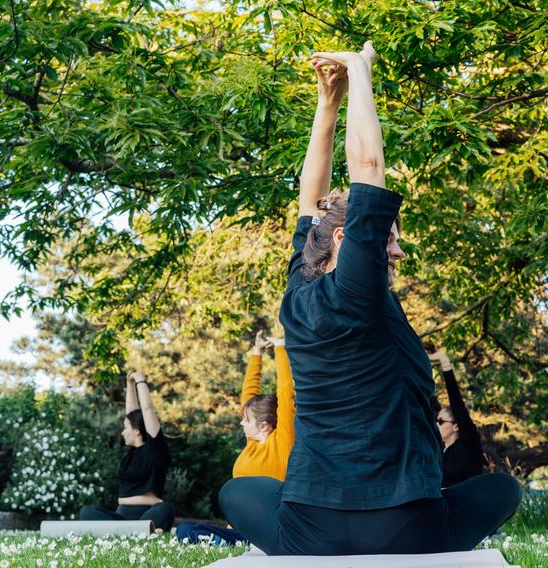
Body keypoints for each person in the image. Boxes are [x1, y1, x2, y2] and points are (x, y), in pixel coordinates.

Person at [218, 41, 521, 556]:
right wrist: (360, 73)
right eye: (391, 239)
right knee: (502, 490)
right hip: (408, 527)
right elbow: (368, 165)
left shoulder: (299, 291)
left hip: (312, 528)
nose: (398, 251)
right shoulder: (358, 289)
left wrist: (327, 104)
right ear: (347, 242)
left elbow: (307, 194)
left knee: (239, 492)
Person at [177, 331, 295, 545]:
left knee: (190, 533)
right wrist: (256, 353)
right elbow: (248, 393)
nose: (241, 423)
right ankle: (229, 542)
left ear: (265, 426)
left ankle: (235, 543)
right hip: (239, 530)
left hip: (266, 531)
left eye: (246, 420)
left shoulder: (283, 441)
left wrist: (280, 348)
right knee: (185, 529)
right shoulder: (252, 444)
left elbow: (285, 392)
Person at [80, 370, 174, 532]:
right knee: (87, 511)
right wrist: (129, 384)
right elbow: (132, 413)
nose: (123, 432)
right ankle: (139, 531)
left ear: (137, 431)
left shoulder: (154, 449)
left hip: (149, 513)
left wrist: (139, 379)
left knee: (165, 509)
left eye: (125, 428)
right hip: (121, 517)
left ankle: (139, 529)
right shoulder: (130, 453)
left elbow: (147, 409)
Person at [429, 350, 484, 487]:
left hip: (466, 505)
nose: (436, 424)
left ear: (456, 426)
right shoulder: (440, 451)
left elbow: (457, 405)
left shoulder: (467, 445)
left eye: (441, 422)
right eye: (437, 420)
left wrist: (445, 364)